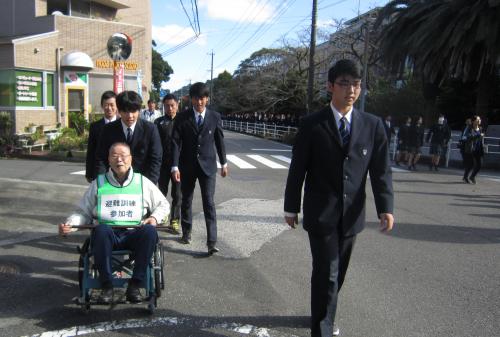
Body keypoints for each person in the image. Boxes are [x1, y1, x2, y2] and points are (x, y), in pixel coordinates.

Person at [284, 59, 394, 337]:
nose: (351, 90)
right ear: (330, 86)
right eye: (345, 83)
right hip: (321, 212)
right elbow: (298, 168)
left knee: (337, 274)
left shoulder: (372, 125)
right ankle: (322, 327)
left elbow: (381, 171)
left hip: (352, 215)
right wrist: (291, 207)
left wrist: (386, 208)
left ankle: (322, 310)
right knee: (328, 272)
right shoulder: (312, 124)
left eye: (356, 84)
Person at [59, 142, 169, 303]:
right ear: (109, 160)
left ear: (131, 159)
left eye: (123, 156)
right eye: (114, 156)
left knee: (150, 231)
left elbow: (163, 205)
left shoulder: (142, 182)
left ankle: (135, 284)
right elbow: (83, 212)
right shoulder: (99, 183)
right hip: (107, 236)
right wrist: (70, 224)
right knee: (101, 229)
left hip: (133, 234)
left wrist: (154, 218)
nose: (119, 160)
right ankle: (107, 285)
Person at [171, 82, 228, 255]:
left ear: (207, 99)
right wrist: (174, 166)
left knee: (209, 202)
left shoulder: (215, 116)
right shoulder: (182, 117)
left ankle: (212, 242)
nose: (199, 102)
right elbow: (175, 143)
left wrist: (223, 163)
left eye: (202, 98)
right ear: (191, 99)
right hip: (187, 166)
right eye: (196, 98)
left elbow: (219, 140)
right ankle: (186, 233)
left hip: (208, 166)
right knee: (186, 200)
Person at [95, 91, 163, 185]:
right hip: (114, 183)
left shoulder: (150, 129)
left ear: (139, 110)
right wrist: (102, 182)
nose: (130, 116)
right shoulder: (108, 130)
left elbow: (156, 159)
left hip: (142, 182)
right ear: (119, 111)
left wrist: (149, 184)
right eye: (126, 111)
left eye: (133, 111)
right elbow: (101, 158)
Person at [155, 94, 182, 234]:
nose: (170, 108)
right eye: (167, 106)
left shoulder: (184, 121)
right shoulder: (158, 122)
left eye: (172, 105)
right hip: (163, 164)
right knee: (161, 193)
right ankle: (162, 215)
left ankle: (175, 221)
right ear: (163, 106)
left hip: (179, 165)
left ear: (177, 105)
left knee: (177, 195)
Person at [85, 91, 118, 183]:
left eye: (112, 105)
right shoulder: (95, 126)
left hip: (118, 171)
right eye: (106, 105)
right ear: (102, 106)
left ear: (117, 106)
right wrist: (89, 173)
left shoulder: (122, 124)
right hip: (100, 170)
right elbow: (91, 151)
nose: (109, 108)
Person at [462, 115, 484, 184]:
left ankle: (472, 176)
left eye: (479, 119)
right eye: (478, 119)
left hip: (478, 149)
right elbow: (465, 137)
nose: (479, 120)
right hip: (471, 148)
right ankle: (465, 177)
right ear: (474, 121)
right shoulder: (469, 128)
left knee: (479, 165)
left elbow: (479, 139)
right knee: (471, 164)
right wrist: (478, 136)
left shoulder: (480, 128)